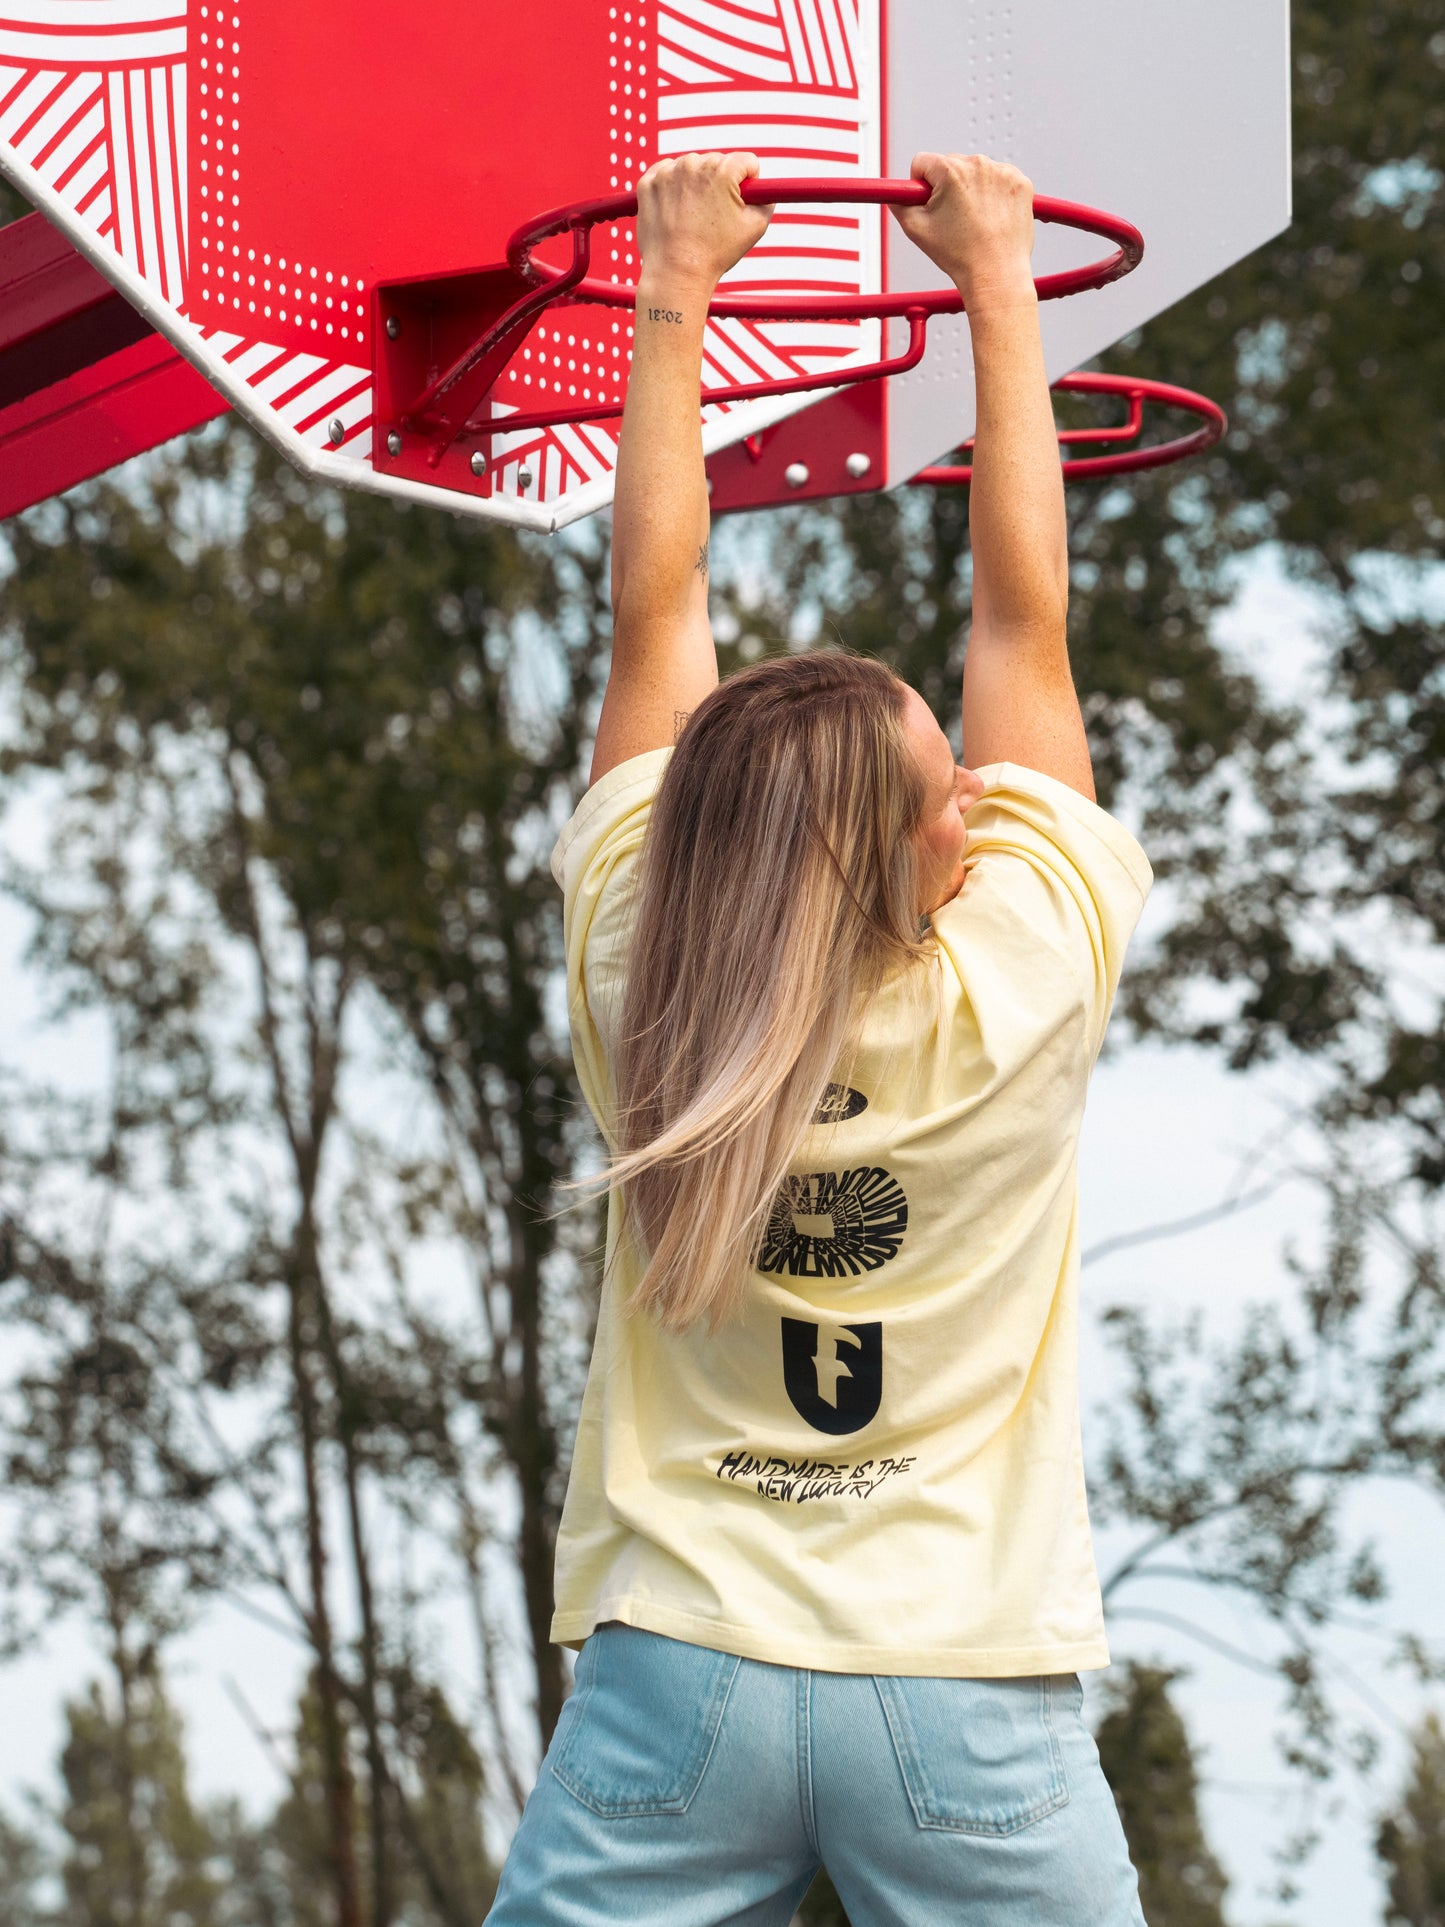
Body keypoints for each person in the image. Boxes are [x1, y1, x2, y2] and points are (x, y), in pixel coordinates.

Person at [485, 151, 1153, 1926]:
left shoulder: (647, 967)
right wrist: (995, 281)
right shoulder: (1014, 986)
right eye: (956, 788)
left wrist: (676, 283)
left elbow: (652, 614)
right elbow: (1024, 617)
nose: (978, 801)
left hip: (676, 1672)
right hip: (957, 1686)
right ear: (926, 856)